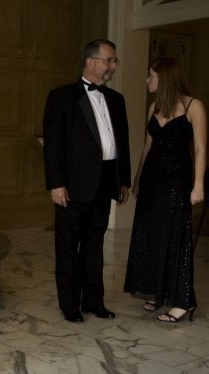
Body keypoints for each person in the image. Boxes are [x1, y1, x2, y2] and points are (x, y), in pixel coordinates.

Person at [43, 39, 131, 323]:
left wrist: (123, 180)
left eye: (115, 61)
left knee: (95, 247)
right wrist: (56, 184)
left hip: (105, 183)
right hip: (72, 186)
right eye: (109, 60)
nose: (113, 66)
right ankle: (70, 306)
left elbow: (123, 144)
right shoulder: (61, 96)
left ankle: (94, 302)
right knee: (68, 248)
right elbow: (53, 145)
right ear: (90, 61)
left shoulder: (117, 100)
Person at [124, 57, 206, 322]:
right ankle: (156, 291)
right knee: (150, 234)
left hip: (177, 181)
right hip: (151, 181)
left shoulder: (194, 106)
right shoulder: (154, 107)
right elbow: (147, 147)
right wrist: (137, 179)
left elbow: (202, 148)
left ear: (164, 77)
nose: (147, 80)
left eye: (151, 76)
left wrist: (199, 184)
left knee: (175, 237)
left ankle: (184, 302)